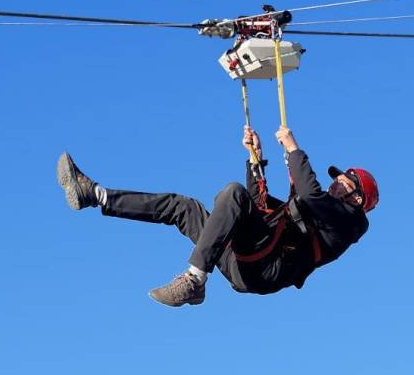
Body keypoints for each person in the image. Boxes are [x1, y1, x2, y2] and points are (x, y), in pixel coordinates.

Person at [56, 126, 378, 307]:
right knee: (183, 207)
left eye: (343, 184)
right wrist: (256, 159)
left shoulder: (346, 225)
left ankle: (194, 280)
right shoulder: (321, 211)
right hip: (250, 257)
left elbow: (309, 194)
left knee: (231, 192)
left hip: (265, 267)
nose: (335, 184)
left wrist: (293, 149)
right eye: (336, 181)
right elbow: (258, 202)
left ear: (357, 198)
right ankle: (96, 195)